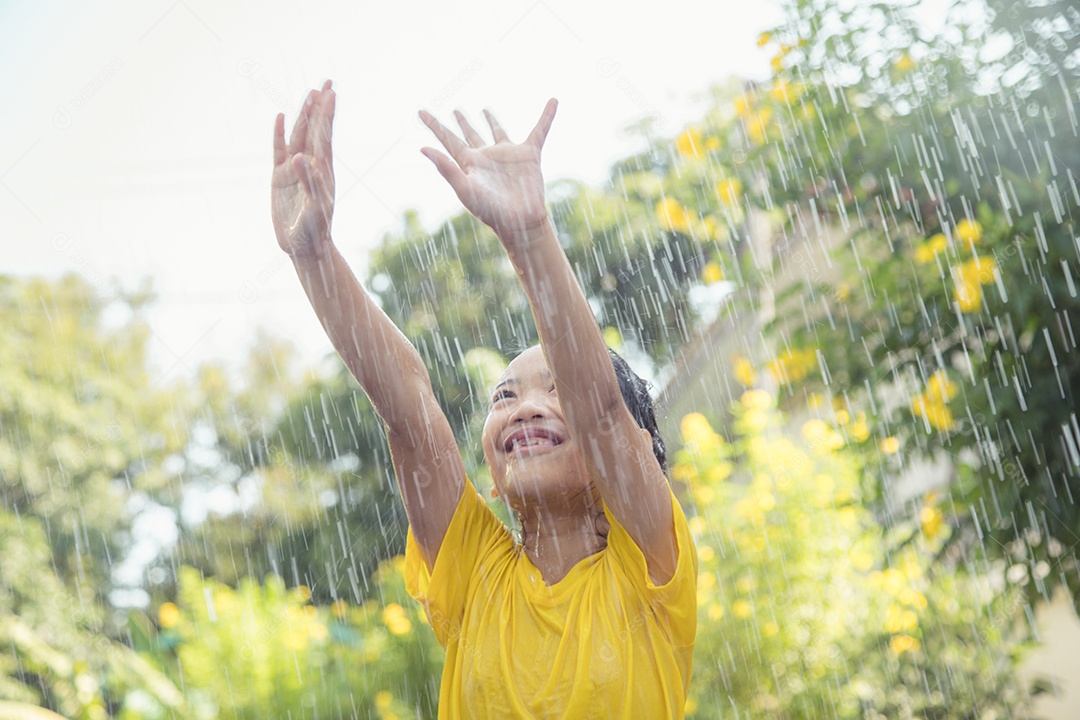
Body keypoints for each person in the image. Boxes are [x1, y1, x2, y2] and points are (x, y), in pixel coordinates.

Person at [271, 80, 697, 719]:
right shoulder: (475, 576)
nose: (523, 406)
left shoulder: (648, 571)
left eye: (559, 393)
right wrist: (314, 255)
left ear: (631, 462)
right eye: (505, 394)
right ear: (491, 480)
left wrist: (529, 240)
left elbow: (603, 413)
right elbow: (412, 416)